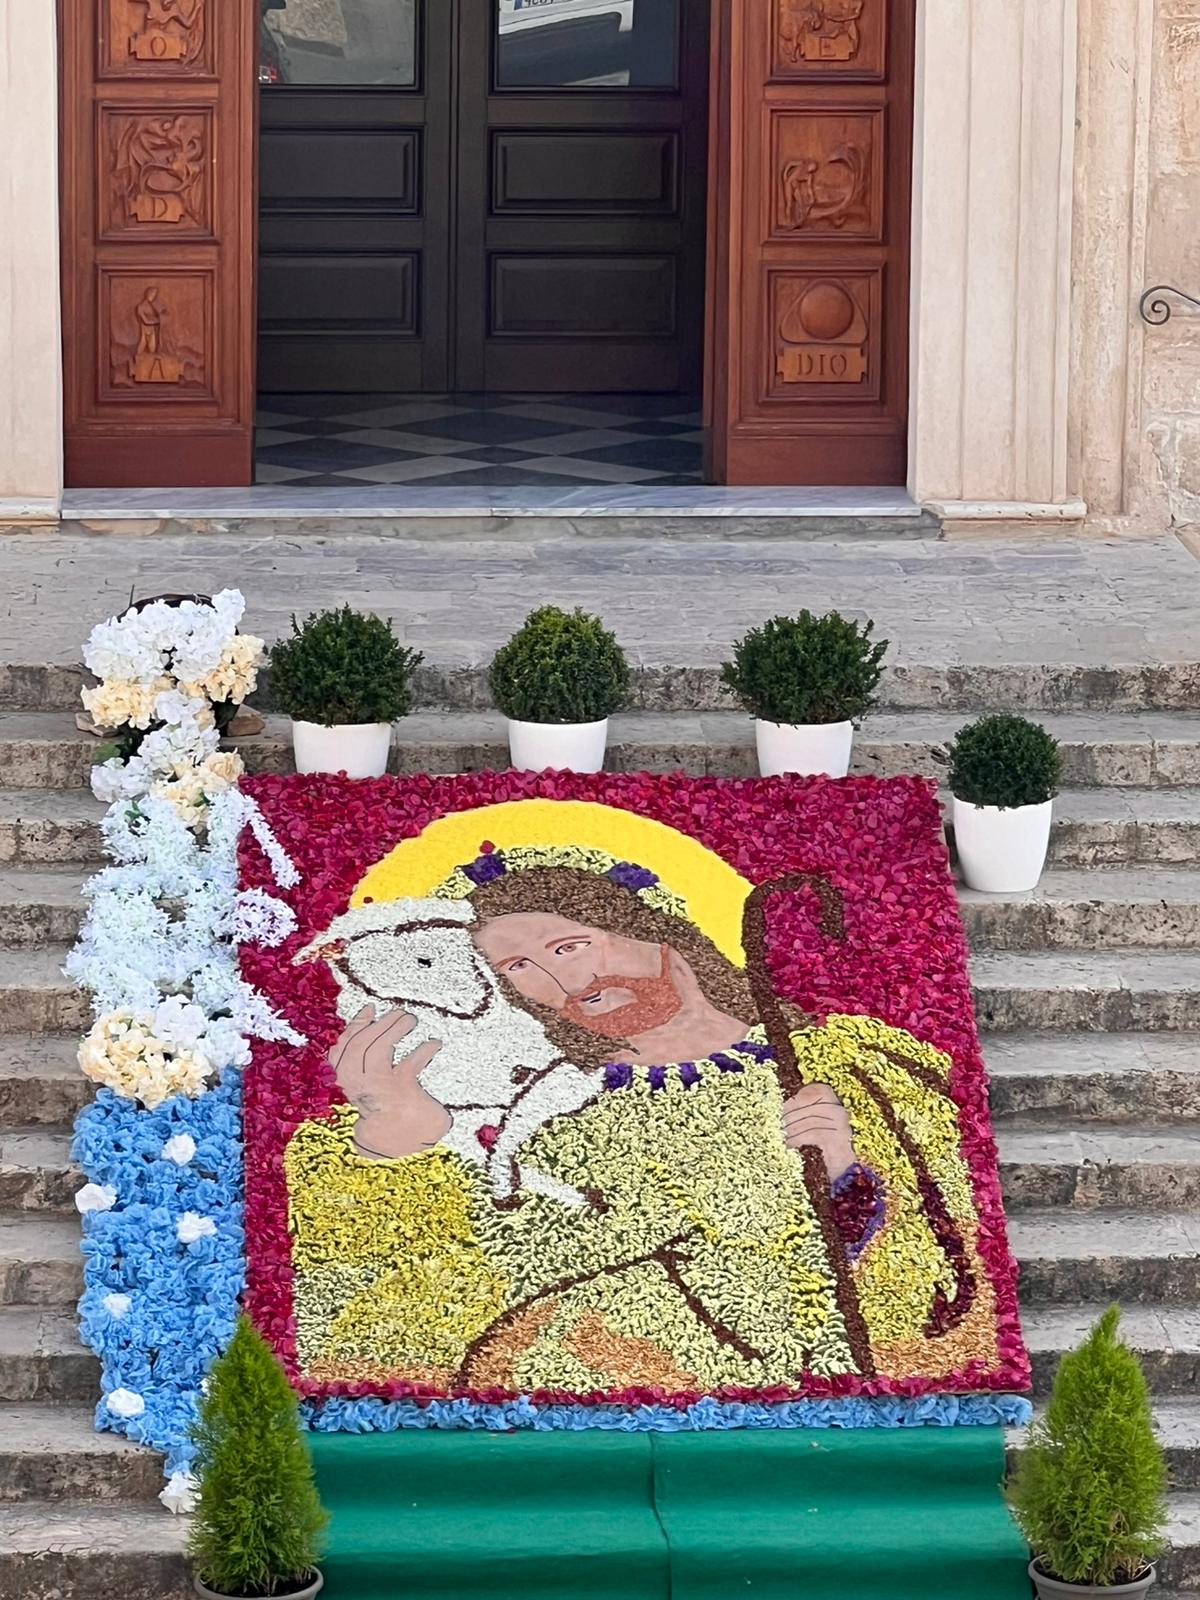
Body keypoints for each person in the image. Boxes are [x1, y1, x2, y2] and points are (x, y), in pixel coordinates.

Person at [284, 858, 998, 1397]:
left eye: (569, 946)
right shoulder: (545, 1116)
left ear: (657, 933)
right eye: (517, 969)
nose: (563, 986)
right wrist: (395, 1140)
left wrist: (846, 1177)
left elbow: (952, 1250)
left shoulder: (847, 1066)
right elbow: (473, 1280)